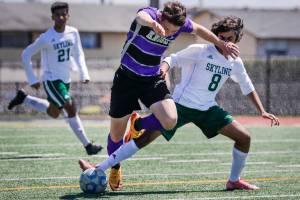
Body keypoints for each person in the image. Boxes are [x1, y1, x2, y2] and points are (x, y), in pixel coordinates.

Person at [79, 16, 280, 190]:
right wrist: (164, 69)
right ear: (216, 36)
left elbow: (247, 86)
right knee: (143, 141)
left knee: (244, 138)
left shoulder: (235, 61)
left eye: (230, 39)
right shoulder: (200, 50)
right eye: (222, 38)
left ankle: (234, 181)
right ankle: (99, 168)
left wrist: (262, 110)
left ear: (238, 38)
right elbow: (172, 58)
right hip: (181, 105)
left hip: (207, 109)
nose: (225, 42)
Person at [100, 1, 239, 191]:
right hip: (126, 78)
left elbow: (198, 29)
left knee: (170, 120)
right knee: (116, 135)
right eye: (166, 27)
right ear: (162, 17)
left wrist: (221, 43)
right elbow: (141, 16)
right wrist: (152, 24)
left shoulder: (180, 25)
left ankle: (138, 124)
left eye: (173, 31)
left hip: (152, 79)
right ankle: (115, 167)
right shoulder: (150, 16)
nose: (168, 32)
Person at [7, 2, 102, 155]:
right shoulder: (46, 37)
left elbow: (78, 54)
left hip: (66, 80)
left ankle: (24, 98)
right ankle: (88, 146)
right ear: (52, 17)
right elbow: (26, 54)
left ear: (68, 15)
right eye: (57, 15)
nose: (61, 17)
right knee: (70, 106)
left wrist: (84, 74)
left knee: (54, 112)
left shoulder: (73, 32)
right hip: (52, 80)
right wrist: (32, 79)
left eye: (64, 14)